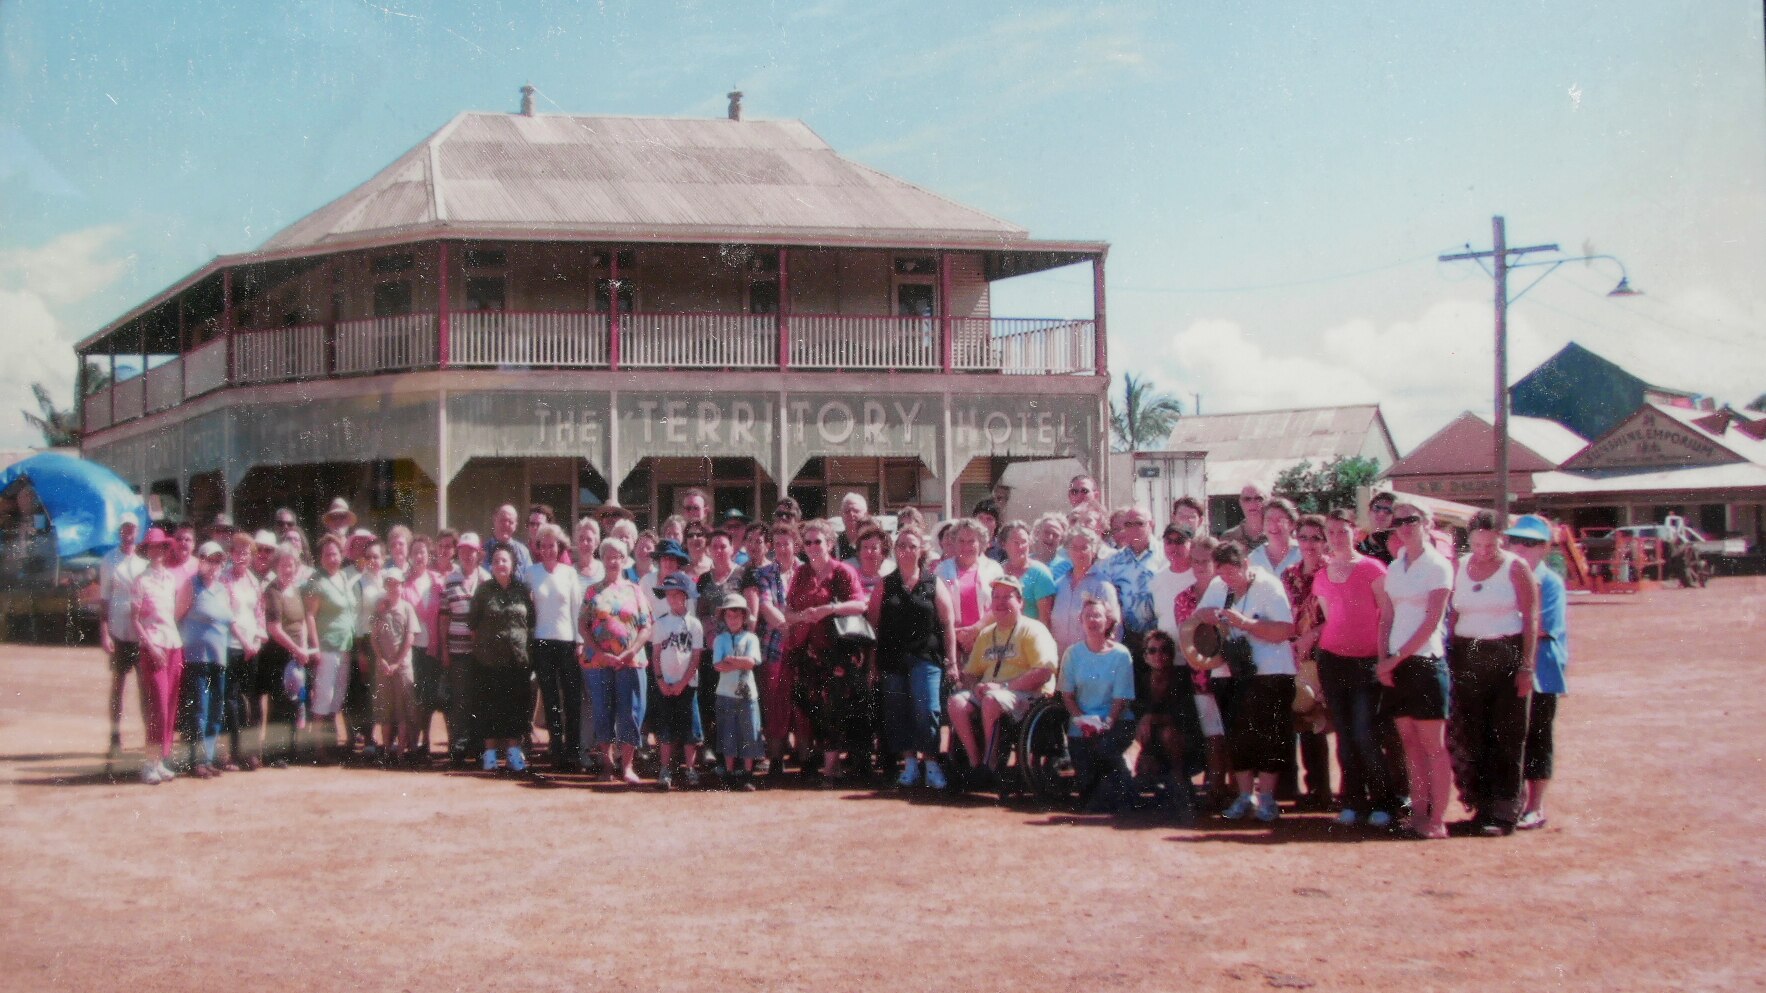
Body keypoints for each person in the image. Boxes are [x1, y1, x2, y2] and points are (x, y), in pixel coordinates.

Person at [1448, 510, 1540, 837]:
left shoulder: (1516, 568)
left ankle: (1505, 813)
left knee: (1507, 736)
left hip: (1507, 654)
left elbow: (1530, 618)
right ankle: (1481, 808)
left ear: (1500, 538)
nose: (1484, 551)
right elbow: (1452, 615)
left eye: (1490, 544)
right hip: (1467, 655)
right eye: (1478, 544)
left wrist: (1526, 666)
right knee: (1474, 735)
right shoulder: (1458, 566)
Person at [1194, 541, 1297, 823]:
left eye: (1233, 571)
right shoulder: (1218, 585)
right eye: (1222, 572)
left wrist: (1245, 624)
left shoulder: (1268, 585)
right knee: (1236, 736)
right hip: (1229, 672)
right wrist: (1211, 615)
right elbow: (1199, 615)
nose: (1228, 578)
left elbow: (1286, 630)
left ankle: (1266, 799)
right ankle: (1243, 796)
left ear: (1246, 564)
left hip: (1269, 672)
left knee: (1268, 737)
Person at [1373, 500, 1455, 840]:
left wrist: (1397, 658)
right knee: (1409, 744)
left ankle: (1437, 819)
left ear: (1427, 523)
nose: (1405, 525)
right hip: (1396, 666)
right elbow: (1387, 617)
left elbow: (1432, 619)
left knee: (1433, 746)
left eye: (1412, 519)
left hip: (1424, 662)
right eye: (1400, 520)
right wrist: (1383, 660)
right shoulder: (1395, 567)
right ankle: (1418, 813)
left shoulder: (1438, 566)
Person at [1312, 509, 1394, 827]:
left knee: (1365, 734)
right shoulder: (1322, 575)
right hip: (1333, 662)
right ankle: (1352, 801)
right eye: (1329, 532)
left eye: (1341, 531)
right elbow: (1330, 619)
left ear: (1354, 532)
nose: (1335, 537)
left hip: (1368, 663)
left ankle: (1384, 802)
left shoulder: (1373, 568)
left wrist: (1384, 658)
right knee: (1345, 737)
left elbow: (1387, 615)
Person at [869, 524, 957, 790]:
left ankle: (931, 763)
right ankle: (909, 765)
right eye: (902, 546)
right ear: (895, 550)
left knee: (928, 709)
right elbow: (873, 625)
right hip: (892, 659)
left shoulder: (934, 582)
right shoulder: (885, 584)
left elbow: (947, 622)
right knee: (897, 712)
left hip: (926, 658)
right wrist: (872, 664)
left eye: (912, 546)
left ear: (921, 551)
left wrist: (951, 661)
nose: (907, 551)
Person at [947, 575, 1058, 784]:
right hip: (993, 692)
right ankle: (975, 762)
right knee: (956, 702)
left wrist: (1003, 686)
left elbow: (1044, 671)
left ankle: (992, 764)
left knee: (992, 700)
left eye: (1007, 597)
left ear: (1020, 602)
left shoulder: (1033, 630)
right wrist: (975, 686)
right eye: (996, 597)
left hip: (1027, 694)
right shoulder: (987, 634)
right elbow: (970, 672)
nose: (1000, 603)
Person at [785, 518, 869, 782]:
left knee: (834, 708)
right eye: (807, 542)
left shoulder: (842, 571)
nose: (812, 546)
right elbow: (788, 612)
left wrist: (829, 609)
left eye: (817, 541)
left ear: (830, 543)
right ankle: (816, 762)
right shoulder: (801, 574)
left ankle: (832, 768)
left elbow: (860, 605)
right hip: (808, 651)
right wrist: (803, 618)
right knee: (811, 708)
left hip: (838, 651)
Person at [1504, 514, 1568, 832]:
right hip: (1511, 667)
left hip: (1542, 670)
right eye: (1516, 541)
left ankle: (1535, 805)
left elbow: (1541, 627)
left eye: (1530, 543)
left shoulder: (1550, 582)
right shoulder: (1508, 577)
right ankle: (1514, 801)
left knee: (1538, 738)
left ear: (1544, 548)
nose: (1520, 548)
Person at [581, 537, 651, 785]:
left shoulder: (635, 589)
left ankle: (628, 766)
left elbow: (645, 626)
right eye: (608, 555)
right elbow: (583, 625)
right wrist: (599, 652)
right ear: (602, 558)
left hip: (630, 662)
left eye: (617, 556)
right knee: (603, 712)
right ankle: (607, 766)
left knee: (630, 713)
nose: (612, 560)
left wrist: (631, 651)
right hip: (599, 662)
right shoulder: (592, 591)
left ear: (624, 559)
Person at [1060, 596, 1138, 812]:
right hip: (1081, 724)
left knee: (1104, 748)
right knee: (1086, 787)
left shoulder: (1121, 655)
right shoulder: (1072, 654)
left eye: (1097, 615)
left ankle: (1126, 788)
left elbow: (1120, 699)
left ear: (1107, 621)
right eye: (1088, 616)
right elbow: (1067, 695)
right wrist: (1082, 721)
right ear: (1081, 620)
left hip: (1116, 722)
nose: (1093, 620)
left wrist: (1107, 723)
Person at [1278, 513, 1334, 810]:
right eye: (1304, 538)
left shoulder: (1334, 571)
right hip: (1297, 655)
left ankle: (1334, 792)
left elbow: (1338, 616)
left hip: (1329, 653)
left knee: (1328, 721)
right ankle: (1314, 790)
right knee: (1306, 718)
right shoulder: (1289, 574)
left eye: (1316, 538)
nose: (1309, 544)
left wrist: (1311, 636)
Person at [468, 546, 536, 773]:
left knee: (516, 708)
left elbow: (532, 622)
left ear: (513, 564)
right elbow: (473, 624)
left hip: (518, 661)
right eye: (496, 560)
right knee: (490, 706)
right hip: (489, 661)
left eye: (505, 560)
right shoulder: (483, 591)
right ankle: (489, 755)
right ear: (491, 565)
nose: (500, 564)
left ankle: (514, 754)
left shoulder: (523, 591)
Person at [524, 523, 584, 772]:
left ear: (560, 547)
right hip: (541, 643)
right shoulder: (531, 573)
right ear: (538, 548)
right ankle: (556, 748)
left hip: (567, 641)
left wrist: (579, 641)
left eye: (553, 545)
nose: (548, 550)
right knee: (550, 699)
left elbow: (577, 609)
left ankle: (573, 750)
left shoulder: (569, 573)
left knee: (571, 698)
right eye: (544, 545)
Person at [1175, 534, 1230, 806]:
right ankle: (1216, 788)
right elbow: (1186, 637)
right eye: (1194, 560)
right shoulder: (1183, 597)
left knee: (1232, 730)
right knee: (1212, 733)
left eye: (1205, 561)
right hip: (1199, 672)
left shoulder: (1229, 592)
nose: (1199, 565)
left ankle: (1234, 789)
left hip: (1230, 671)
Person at [750, 522, 807, 777]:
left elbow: (810, 607)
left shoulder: (807, 572)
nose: (783, 549)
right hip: (774, 648)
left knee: (803, 706)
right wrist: (789, 624)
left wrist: (794, 620)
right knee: (775, 704)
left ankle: (805, 760)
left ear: (796, 545)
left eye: (788, 543)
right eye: (779, 544)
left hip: (804, 648)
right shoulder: (765, 574)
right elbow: (765, 606)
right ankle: (775, 760)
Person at [176, 541, 234, 779]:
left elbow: (229, 620)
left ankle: (208, 759)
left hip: (218, 658)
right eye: (210, 560)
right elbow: (177, 616)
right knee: (199, 709)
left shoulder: (223, 589)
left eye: (219, 561)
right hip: (196, 658)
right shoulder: (191, 585)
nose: (214, 566)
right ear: (200, 561)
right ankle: (197, 761)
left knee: (215, 709)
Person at [132, 527, 184, 784]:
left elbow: (170, 615)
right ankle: (149, 763)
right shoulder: (141, 581)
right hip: (153, 648)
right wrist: (151, 646)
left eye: (162, 547)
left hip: (173, 644)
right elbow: (135, 621)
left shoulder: (171, 580)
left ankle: (160, 760)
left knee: (172, 705)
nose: (158, 552)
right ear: (147, 550)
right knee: (159, 706)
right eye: (153, 547)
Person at [302, 535, 358, 764]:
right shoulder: (316, 581)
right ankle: (318, 748)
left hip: (344, 647)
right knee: (323, 699)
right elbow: (310, 616)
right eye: (327, 554)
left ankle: (331, 743)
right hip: (326, 647)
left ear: (342, 554)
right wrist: (315, 646)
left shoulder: (344, 577)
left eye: (335, 553)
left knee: (337, 699)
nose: (332, 558)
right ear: (320, 558)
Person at [257, 542, 314, 768]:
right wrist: (296, 649)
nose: (288, 569)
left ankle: (290, 749)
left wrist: (304, 645)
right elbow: (274, 628)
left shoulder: (296, 590)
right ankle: (274, 753)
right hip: (279, 654)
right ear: (276, 566)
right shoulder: (273, 591)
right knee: (279, 702)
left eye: (291, 565)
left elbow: (302, 621)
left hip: (297, 655)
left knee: (294, 702)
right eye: (284, 564)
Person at [694, 529, 748, 762]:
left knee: (736, 699)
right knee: (710, 697)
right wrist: (710, 633)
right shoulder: (705, 578)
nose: (718, 550)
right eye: (714, 546)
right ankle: (711, 747)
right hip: (712, 648)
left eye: (723, 546)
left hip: (737, 649)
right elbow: (702, 611)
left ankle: (738, 751)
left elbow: (750, 612)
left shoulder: (743, 575)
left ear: (732, 547)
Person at [650, 572, 705, 790]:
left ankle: (690, 768)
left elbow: (696, 657)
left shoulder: (694, 624)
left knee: (689, 729)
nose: (673, 599)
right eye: (669, 595)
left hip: (687, 685)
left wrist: (683, 682)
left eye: (676, 595)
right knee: (666, 729)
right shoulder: (661, 623)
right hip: (666, 684)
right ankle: (665, 769)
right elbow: (655, 655)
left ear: (685, 596)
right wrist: (661, 680)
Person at [219, 531, 268, 771]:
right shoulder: (224, 580)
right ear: (231, 554)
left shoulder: (253, 581)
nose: (242, 556)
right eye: (238, 551)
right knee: (232, 701)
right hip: (232, 646)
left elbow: (259, 614)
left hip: (252, 648)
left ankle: (250, 752)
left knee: (252, 700)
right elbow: (228, 617)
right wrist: (245, 643)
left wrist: (257, 641)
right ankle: (233, 752)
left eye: (247, 552)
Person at [99, 518, 147, 760]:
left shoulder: (143, 563)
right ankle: (115, 738)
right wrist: (104, 631)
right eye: (125, 529)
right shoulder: (109, 560)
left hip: (139, 633)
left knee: (145, 688)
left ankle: (150, 737)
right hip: (118, 630)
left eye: (132, 529)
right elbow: (104, 598)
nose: (128, 534)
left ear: (137, 532)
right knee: (118, 686)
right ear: (119, 532)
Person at [441, 533, 488, 767]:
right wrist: (444, 649)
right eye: (463, 551)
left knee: (479, 699)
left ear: (479, 553)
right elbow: (443, 617)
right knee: (459, 699)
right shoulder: (449, 580)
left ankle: (478, 747)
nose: (468, 555)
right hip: (457, 649)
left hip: (482, 653)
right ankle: (458, 748)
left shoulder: (487, 580)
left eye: (472, 551)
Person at [710, 593, 765, 790]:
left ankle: (748, 774)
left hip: (748, 694)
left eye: (737, 616)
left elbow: (751, 663)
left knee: (749, 732)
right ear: (724, 618)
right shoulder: (720, 639)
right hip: (725, 693)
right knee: (728, 734)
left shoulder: (751, 638)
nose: (732, 620)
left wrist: (731, 660)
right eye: (729, 616)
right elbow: (717, 665)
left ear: (744, 618)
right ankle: (730, 772)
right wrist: (738, 662)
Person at [934, 518, 1004, 663]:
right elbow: (937, 607)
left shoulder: (994, 569)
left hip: (988, 640)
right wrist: (958, 635)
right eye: (961, 541)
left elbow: (1000, 604)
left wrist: (975, 630)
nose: (966, 546)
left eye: (971, 541)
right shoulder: (942, 570)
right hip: (953, 643)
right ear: (953, 542)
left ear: (981, 543)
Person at [371, 567, 421, 762]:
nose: (393, 588)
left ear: (402, 585)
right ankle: (385, 751)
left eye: (397, 584)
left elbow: (409, 638)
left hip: (402, 667)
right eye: (389, 584)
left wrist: (397, 662)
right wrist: (382, 659)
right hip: (383, 667)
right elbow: (373, 637)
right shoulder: (379, 609)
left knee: (404, 711)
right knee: (385, 709)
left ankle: (400, 753)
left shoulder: (408, 608)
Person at [402, 536, 444, 761]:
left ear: (429, 556)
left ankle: (425, 741)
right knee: (413, 697)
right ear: (410, 556)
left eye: (423, 552)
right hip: (412, 649)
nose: (419, 556)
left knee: (428, 698)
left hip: (433, 647)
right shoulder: (403, 584)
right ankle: (412, 741)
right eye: (415, 552)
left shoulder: (438, 582)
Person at [1048, 526, 1119, 658]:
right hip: (1060, 659)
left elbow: (1114, 627)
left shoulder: (1103, 586)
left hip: (1091, 659)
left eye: (1084, 548)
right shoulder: (1059, 584)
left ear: (1094, 551)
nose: (1079, 553)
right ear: (1068, 551)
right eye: (1074, 548)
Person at [348, 539, 388, 760]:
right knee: (368, 693)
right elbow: (355, 620)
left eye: (377, 556)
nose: (373, 561)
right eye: (369, 557)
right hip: (366, 643)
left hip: (387, 643)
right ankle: (370, 738)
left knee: (384, 692)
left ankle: (387, 739)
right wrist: (360, 652)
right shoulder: (358, 583)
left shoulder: (388, 581)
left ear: (384, 559)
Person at [999, 520, 1056, 623]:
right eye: (1016, 542)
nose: (1021, 547)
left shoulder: (1040, 573)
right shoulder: (998, 571)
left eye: (1024, 542)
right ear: (1004, 544)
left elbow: (1045, 619)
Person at [484, 504, 533, 572]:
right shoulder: (482, 550)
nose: (506, 524)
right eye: (503, 520)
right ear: (494, 520)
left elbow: (529, 579)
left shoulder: (523, 552)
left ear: (515, 525)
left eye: (510, 522)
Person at [1221, 484, 1268, 549]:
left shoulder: (1276, 535)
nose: (1252, 503)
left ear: (1267, 501)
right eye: (1247, 499)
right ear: (1240, 503)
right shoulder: (1228, 538)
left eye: (1258, 498)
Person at [1358, 491, 1397, 564]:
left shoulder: (1398, 549)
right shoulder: (1358, 548)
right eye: (1377, 508)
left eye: (1388, 510)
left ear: (1394, 517)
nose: (1381, 513)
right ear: (1369, 512)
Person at [835, 492, 869, 561]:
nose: (851, 514)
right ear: (841, 515)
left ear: (866, 514)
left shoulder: (873, 541)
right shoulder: (835, 544)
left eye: (856, 511)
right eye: (847, 511)